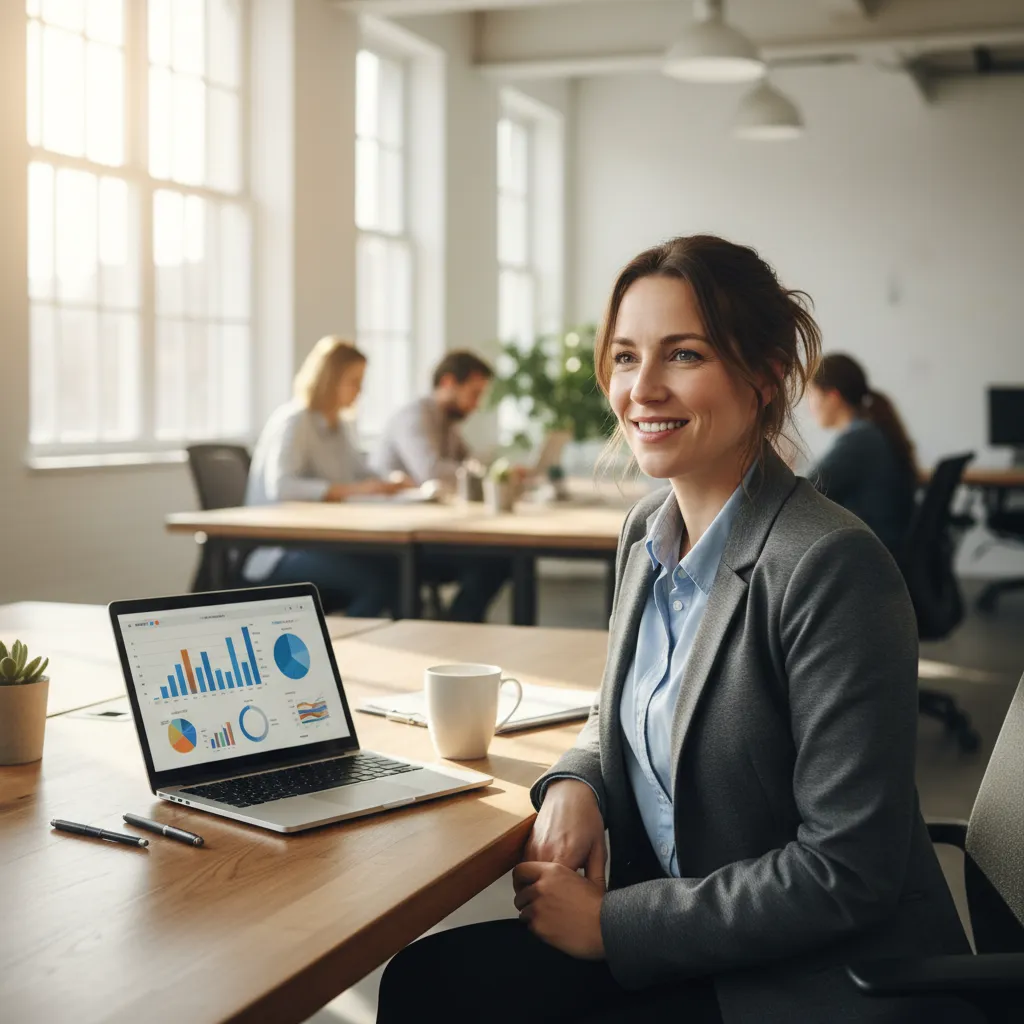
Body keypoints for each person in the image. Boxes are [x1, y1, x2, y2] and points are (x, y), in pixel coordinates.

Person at [376, 237, 976, 1024]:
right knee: (430, 980)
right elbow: (621, 710)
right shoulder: (647, 533)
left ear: (765, 377)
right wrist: (577, 783)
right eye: (625, 358)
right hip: (695, 930)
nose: (642, 389)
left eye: (683, 355)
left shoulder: (829, 566)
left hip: (810, 981)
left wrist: (612, 926)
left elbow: (847, 870)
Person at [243, 336, 409, 617]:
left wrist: (387, 482)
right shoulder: (294, 421)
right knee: (376, 584)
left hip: (326, 543)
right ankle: (346, 652)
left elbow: (359, 472)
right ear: (330, 379)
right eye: (354, 381)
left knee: (397, 569)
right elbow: (282, 487)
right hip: (281, 551)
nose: (360, 390)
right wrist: (346, 491)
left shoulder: (339, 425)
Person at [373, 350, 509, 623]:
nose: (476, 404)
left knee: (502, 557)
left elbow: (469, 466)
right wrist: (487, 476)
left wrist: (499, 474)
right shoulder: (414, 416)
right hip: (397, 539)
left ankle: (459, 624)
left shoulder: (448, 424)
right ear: (448, 383)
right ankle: (457, 625)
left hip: (430, 530)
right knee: (495, 560)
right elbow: (431, 472)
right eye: (474, 393)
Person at [806, 353, 918, 556]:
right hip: (884, 545)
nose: (809, 406)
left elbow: (807, 490)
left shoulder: (859, 440)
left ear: (832, 397)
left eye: (811, 395)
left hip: (871, 552)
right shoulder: (869, 432)